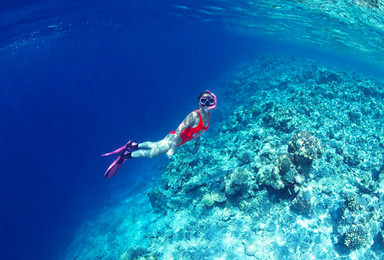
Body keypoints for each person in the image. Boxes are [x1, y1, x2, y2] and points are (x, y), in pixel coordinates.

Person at [102, 90, 217, 178]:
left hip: (176, 141)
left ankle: (133, 145)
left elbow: (198, 132)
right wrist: (172, 149)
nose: (206, 104)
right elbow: (178, 129)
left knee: (154, 145)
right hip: (173, 141)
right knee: (151, 154)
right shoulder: (194, 115)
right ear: (198, 102)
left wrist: (197, 143)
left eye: (209, 101)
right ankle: (125, 156)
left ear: (213, 102)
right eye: (203, 101)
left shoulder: (208, 115)